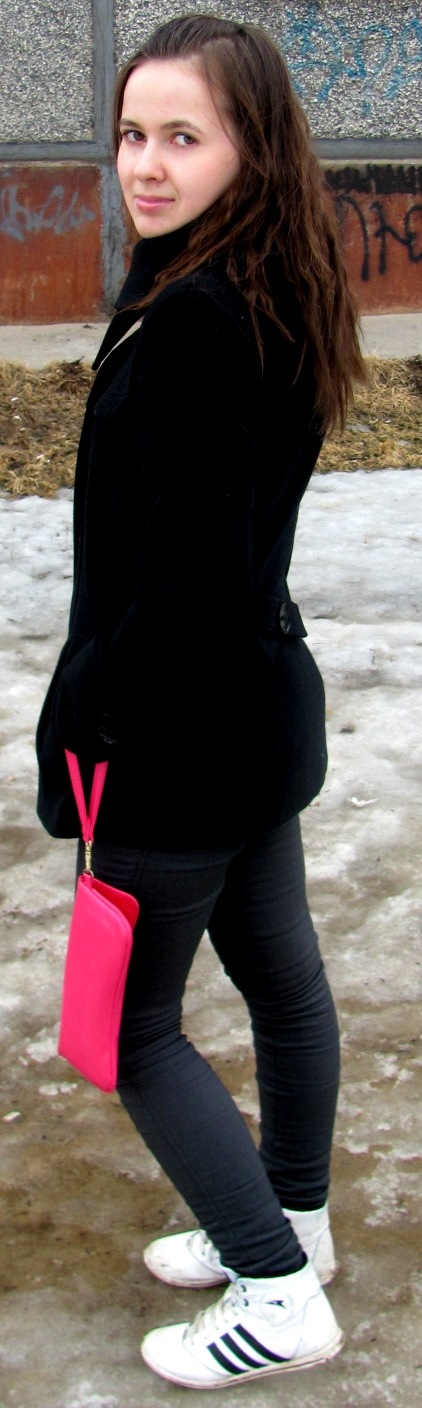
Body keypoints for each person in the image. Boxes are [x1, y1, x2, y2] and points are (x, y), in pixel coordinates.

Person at [36, 13, 365, 1391]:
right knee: (280, 978)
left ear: (252, 151)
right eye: (132, 134)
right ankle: (294, 1222)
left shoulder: (194, 319)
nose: (146, 165)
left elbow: (183, 586)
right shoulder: (266, 283)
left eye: (185, 136)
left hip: (176, 742)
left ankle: (276, 1293)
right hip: (253, 716)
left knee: (127, 1029)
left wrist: (86, 718)